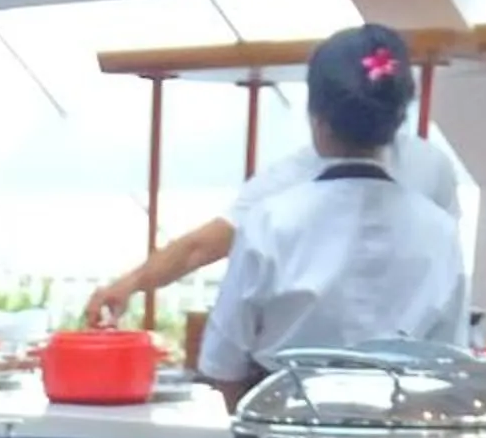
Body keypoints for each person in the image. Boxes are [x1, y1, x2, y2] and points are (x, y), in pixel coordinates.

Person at [197, 25, 469, 438]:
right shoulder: (439, 231)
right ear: (398, 119)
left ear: (318, 121)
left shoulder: (272, 220)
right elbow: (448, 365)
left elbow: (224, 361)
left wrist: (269, 429)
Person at [86, 102, 463, 331]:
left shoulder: (287, 183)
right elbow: (449, 289)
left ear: (318, 119)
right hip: (407, 400)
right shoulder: (432, 167)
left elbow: (200, 251)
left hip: (299, 403)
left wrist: (131, 283)